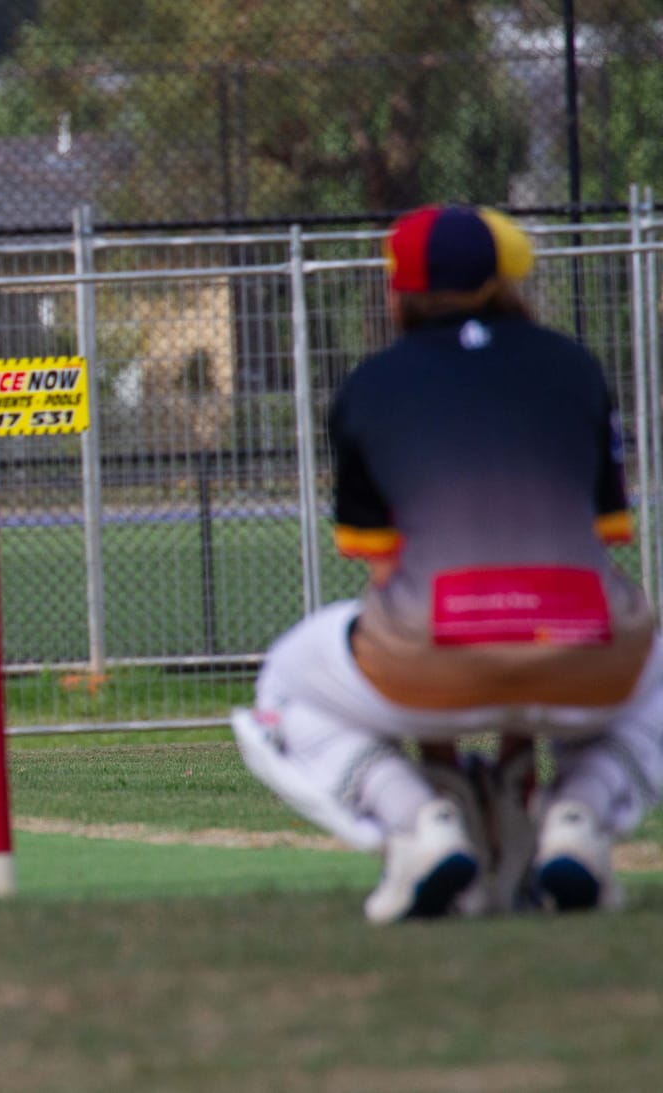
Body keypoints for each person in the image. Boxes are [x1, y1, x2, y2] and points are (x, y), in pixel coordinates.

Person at [234, 203, 663, 921]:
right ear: (506, 280)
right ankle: (578, 817)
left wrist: (441, 764)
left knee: (283, 690)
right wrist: (519, 745)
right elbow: (597, 536)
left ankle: (419, 821)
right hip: (586, 649)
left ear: (396, 290)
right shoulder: (574, 367)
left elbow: (384, 570)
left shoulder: (371, 384)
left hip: (427, 658)